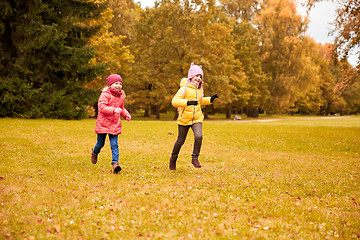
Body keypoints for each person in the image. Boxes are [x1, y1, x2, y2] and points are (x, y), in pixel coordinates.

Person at [169, 63, 218, 170]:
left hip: (197, 118)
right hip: (184, 119)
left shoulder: (199, 89)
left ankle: (194, 158)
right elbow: (174, 101)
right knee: (180, 141)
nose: (198, 78)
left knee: (199, 136)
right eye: (197, 76)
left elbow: (200, 101)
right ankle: (173, 159)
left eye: (200, 76)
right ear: (191, 76)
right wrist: (188, 102)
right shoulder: (184, 89)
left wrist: (210, 99)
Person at [91, 74, 131, 174]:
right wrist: (113, 110)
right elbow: (102, 107)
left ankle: (115, 164)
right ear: (109, 85)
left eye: (120, 84)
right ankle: (95, 152)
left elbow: (121, 108)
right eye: (116, 83)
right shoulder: (105, 95)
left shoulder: (121, 96)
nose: (118, 86)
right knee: (100, 144)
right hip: (103, 124)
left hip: (114, 124)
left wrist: (126, 115)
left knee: (114, 145)